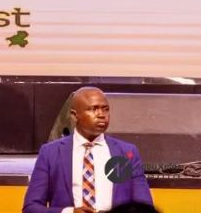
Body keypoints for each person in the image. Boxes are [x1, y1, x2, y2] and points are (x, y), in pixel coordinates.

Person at [23, 87, 154, 213]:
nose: (101, 115)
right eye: (93, 109)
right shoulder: (50, 153)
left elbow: (144, 207)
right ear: (74, 115)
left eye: (105, 109)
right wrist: (69, 212)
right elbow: (31, 207)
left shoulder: (127, 152)